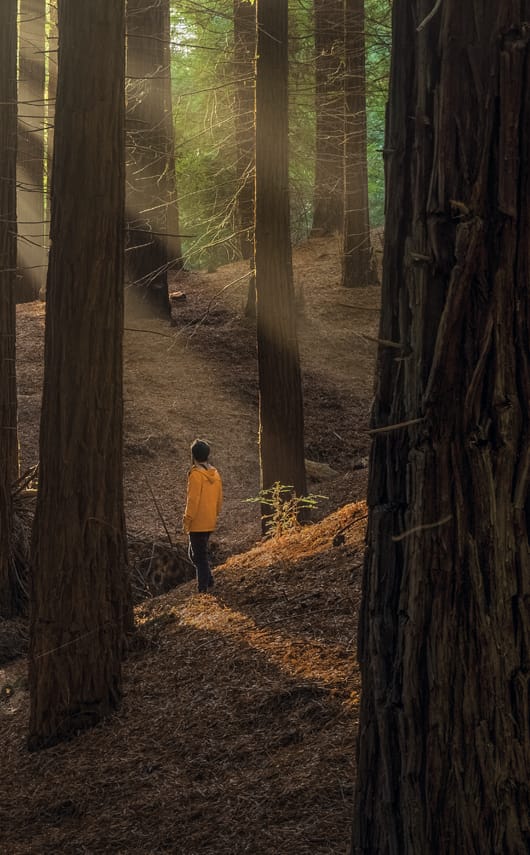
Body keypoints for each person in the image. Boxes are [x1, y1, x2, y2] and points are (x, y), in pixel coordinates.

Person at [182, 439, 223, 594]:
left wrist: (187, 518)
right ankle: (209, 580)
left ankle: (203, 589)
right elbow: (219, 498)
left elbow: (192, 500)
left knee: (199, 556)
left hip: (198, 522)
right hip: (209, 520)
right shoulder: (215, 473)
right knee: (195, 555)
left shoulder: (195, 475)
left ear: (193, 455)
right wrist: (215, 513)